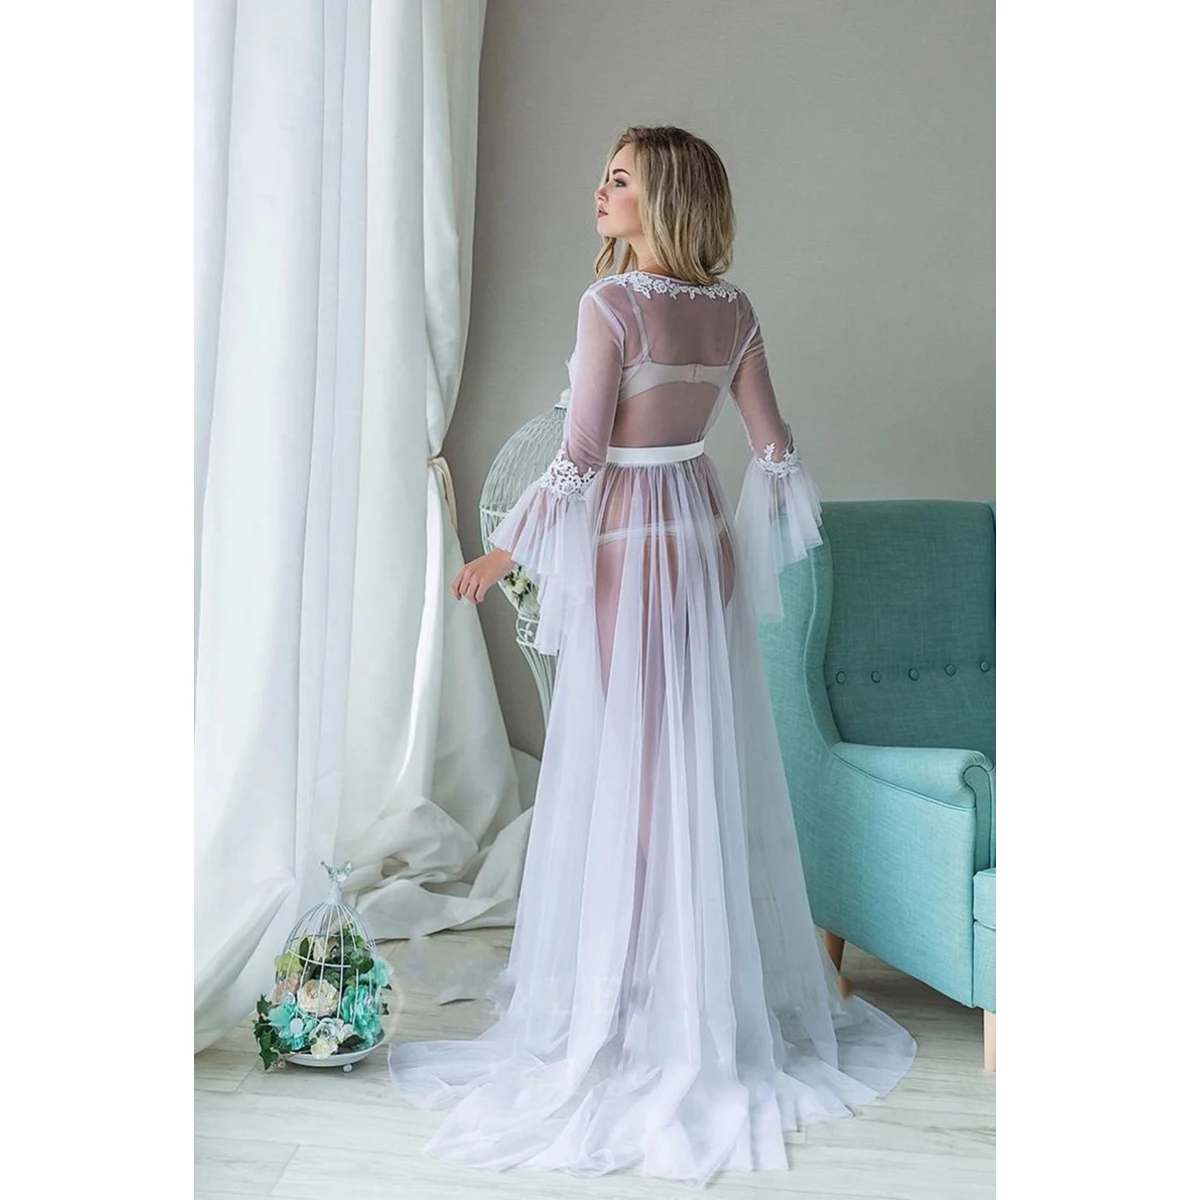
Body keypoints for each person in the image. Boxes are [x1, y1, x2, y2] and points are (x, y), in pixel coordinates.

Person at [388, 124, 917, 1190]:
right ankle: (694, 982)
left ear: (663, 197)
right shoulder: (734, 311)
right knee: (692, 763)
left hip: (628, 548)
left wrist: (503, 551)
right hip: (701, 541)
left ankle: (630, 990)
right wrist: (757, 531)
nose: (600, 190)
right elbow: (774, 451)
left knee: (628, 773)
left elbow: (581, 456)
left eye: (620, 179)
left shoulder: (612, 305)